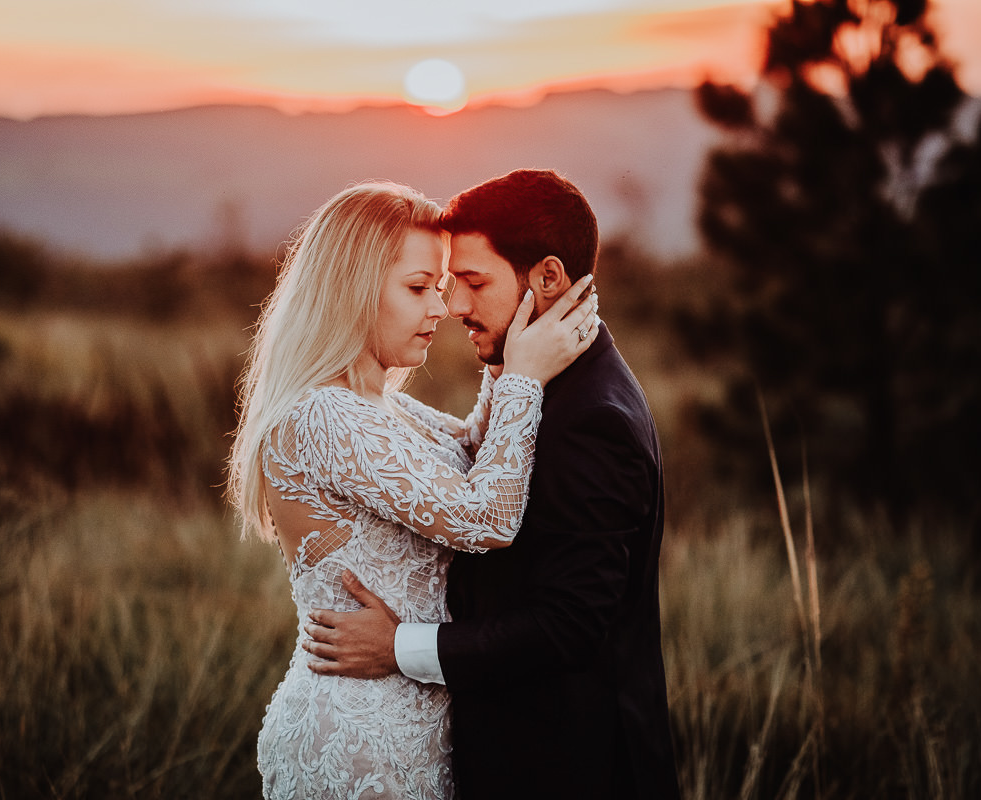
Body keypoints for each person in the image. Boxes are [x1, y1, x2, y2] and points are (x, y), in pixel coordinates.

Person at [303, 169, 682, 799]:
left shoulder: (592, 418)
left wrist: (401, 647)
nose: (454, 306)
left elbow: (568, 625)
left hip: (569, 770)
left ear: (548, 278)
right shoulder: (547, 390)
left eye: (473, 283)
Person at [226, 180, 601, 799]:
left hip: (413, 723)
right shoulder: (326, 417)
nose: (440, 309)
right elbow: (488, 519)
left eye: (445, 287)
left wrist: (511, 354)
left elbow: (476, 452)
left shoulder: (384, 410)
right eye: (418, 288)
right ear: (353, 288)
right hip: (357, 737)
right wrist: (523, 379)